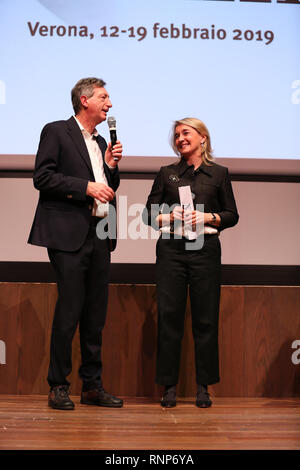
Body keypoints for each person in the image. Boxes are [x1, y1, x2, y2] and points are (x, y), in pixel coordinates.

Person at [28, 77, 123, 410]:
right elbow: (43, 177)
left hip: (100, 232)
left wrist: (110, 167)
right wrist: (85, 187)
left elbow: (107, 187)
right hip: (69, 234)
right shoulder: (57, 131)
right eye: (104, 97)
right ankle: (58, 385)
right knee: (69, 311)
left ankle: (92, 387)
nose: (110, 104)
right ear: (85, 100)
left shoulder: (100, 142)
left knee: (95, 315)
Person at [144, 117, 239, 408]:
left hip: (205, 249)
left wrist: (209, 217)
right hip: (172, 250)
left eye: (186, 133)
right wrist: (170, 215)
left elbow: (232, 215)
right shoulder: (167, 173)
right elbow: (148, 215)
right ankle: (169, 387)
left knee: (205, 319)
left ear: (202, 138)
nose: (180, 138)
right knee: (169, 318)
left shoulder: (219, 173)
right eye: (176, 134)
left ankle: (203, 388)